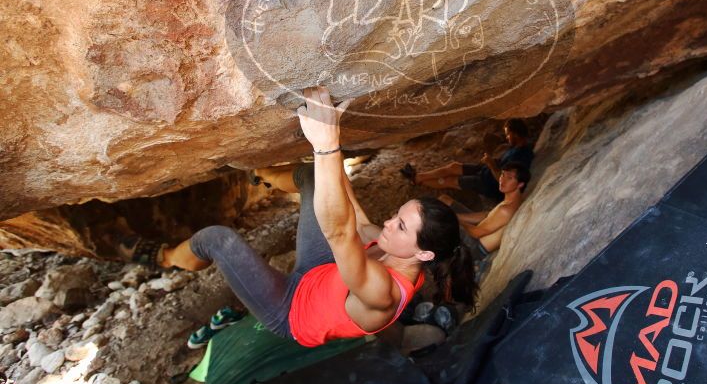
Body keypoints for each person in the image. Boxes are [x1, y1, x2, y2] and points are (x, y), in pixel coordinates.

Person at [120, 87, 477, 348]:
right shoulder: (395, 249)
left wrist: (326, 144)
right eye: (396, 216)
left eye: (400, 225)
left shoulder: (382, 293)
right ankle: (260, 175)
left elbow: (339, 232)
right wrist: (333, 139)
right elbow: (353, 214)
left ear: (423, 254)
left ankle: (164, 257)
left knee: (216, 238)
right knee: (311, 178)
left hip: (290, 309)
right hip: (319, 272)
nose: (388, 223)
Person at [401, 119, 533, 203]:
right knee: (454, 167)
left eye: (508, 134)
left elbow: (502, 178)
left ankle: (416, 180)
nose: (506, 137)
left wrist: (491, 163)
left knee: (450, 181)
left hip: (489, 184)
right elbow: (504, 164)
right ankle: (417, 177)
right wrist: (491, 161)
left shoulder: (522, 155)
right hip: (485, 171)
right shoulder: (515, 147)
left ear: (515, 134)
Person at [439, 161, 530, 265]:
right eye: (502, 174)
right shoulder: (514, 199)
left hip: (475, 248)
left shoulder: (506, 210)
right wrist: (457, 216)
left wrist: (453, 218)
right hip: (480, 229)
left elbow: (476, 233)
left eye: (509, 178)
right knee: (444, 200)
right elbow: (487, 215)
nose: (502, 180)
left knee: (438, 219)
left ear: (520, 184)